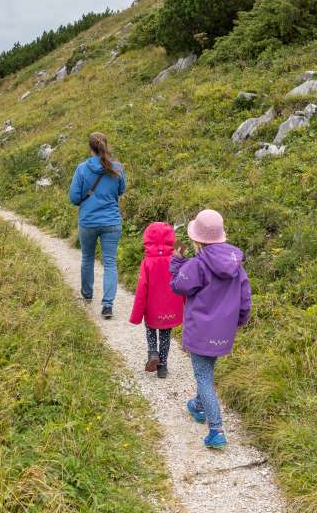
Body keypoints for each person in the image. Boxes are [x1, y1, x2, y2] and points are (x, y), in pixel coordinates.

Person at [170, 209, 252, 450]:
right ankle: (197, 405)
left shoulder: (197, 264)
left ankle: (216, 430)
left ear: (197, 239)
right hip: (224, 331)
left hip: (200, 331)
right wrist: (239, 320)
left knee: (204, 376)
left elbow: (178, 286)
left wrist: (176, 263)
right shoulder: (236, 265)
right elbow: (245, 298)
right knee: (207, 370)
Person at [69, 132, 126, 319]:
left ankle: (87, 295)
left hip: (88, 222)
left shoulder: (82, 169)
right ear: (106, 146)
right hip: (111, 222)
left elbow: (74, 198)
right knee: (110, 263)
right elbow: (121, 190)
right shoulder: (117, 167)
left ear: (90, 148)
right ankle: (108, 305)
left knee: (87, 258)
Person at [129, 222, 184, 378]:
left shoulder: (147, 261)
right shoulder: (176, 259)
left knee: (151, 329)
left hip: (152, 306)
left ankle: (153, 352)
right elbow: (184, 279)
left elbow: (142, 289)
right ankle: (163, 367)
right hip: (170, 307)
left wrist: (136, 315)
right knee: (166, 335)